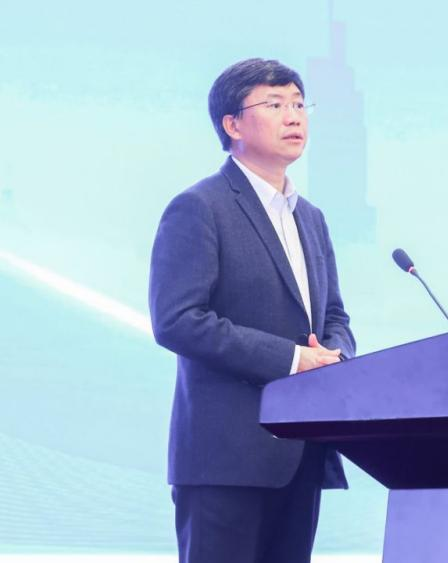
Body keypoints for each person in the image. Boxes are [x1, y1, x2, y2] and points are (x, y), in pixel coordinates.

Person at [149, 58, 355, 563]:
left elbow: (334, 316)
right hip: (225, 459)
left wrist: (335, 357)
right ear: (233, 125)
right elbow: (177, 320)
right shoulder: (200, 207)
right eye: (275, 104)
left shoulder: (311, 218)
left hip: (301, 451)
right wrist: (293, 359)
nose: (294, 116)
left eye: (299, 104)